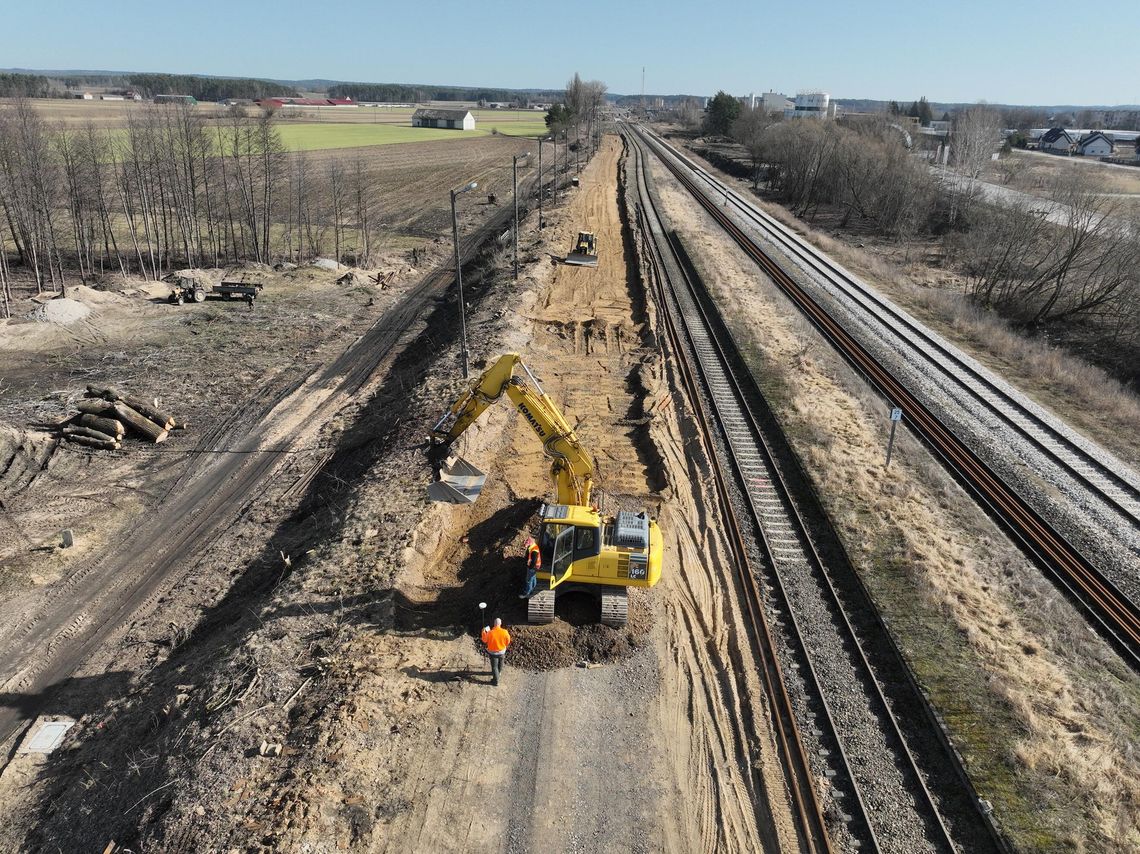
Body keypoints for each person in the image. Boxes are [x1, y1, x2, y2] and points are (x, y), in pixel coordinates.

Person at [481, 618, 511, 686]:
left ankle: (495, 681)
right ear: (500, 624)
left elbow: (484, 640)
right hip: (502, 651)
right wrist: (504, 645)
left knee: (494, 667)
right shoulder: (505, 632)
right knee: (501, 662)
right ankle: (499, 673)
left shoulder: (490, 632)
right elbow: (508, 641)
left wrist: (483, 632)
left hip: (493, 653)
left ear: (494, 624)